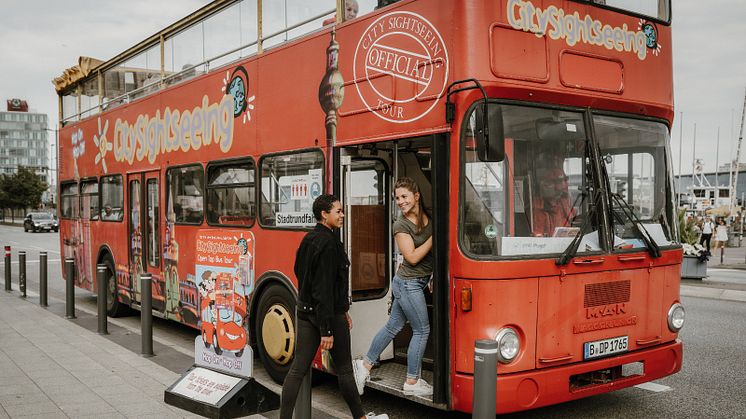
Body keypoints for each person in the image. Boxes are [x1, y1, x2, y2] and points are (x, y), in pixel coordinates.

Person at [280, 194, 388, 419]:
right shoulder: (329, 244)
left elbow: (301, 273)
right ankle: (360, 417)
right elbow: (324, 289)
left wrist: (342, 309)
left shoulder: (308, 239)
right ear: (324, 214)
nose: (342, 215)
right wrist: (326, 329)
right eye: (338, 211)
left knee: (298, 369)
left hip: (306, 311)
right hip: (327, 316)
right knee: (345, 370)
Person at [354, 177, 434, 397]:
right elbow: (412, 257)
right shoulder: (400, 225)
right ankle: (412, 381)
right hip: (409, 284)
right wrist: (434, 237)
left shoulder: (427, 216)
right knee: (421, 330)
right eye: (397, 198)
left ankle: (365, 366)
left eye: (404, 196)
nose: (400, 201)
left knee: (392, 327)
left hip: (413, 282)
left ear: (416, 196)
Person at [531, 166, 574, 237]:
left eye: (565, 180)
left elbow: (574, 225)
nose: (563, 185)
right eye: (558, 182)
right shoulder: (537, 208)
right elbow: (537, 236)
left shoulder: (565, 204)